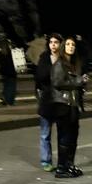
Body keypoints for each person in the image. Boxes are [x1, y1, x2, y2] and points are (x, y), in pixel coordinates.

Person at [50, 37, 88, 178]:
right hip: (63, 105)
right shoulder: (59, 64)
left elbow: (72, 82)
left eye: (73, 44)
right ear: (63, 47)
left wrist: (81, 82)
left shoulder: (73, 64)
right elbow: (58, 82)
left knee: (73, 137)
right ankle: (61, 167)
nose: (71, 46)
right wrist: (79, 80)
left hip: (73, 105)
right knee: (65, 137)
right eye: (68, 44)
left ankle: (69, 165)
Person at [34, 33, 63, 171]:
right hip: (47, 100)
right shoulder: (44, 58)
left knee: (62, 133)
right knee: (45, 133)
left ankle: (63, 161)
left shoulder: (64, 58)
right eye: (51, 42)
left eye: (56, 42)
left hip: (61, 100)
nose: (53, 44)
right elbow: (40, 76)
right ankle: (46, 160)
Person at [0, 40, 18, 106]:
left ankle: (5, 98)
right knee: (12, 87)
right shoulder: (11, 53)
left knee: (6, 86)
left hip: (4, 72)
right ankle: (10, 101)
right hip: (12, 72)